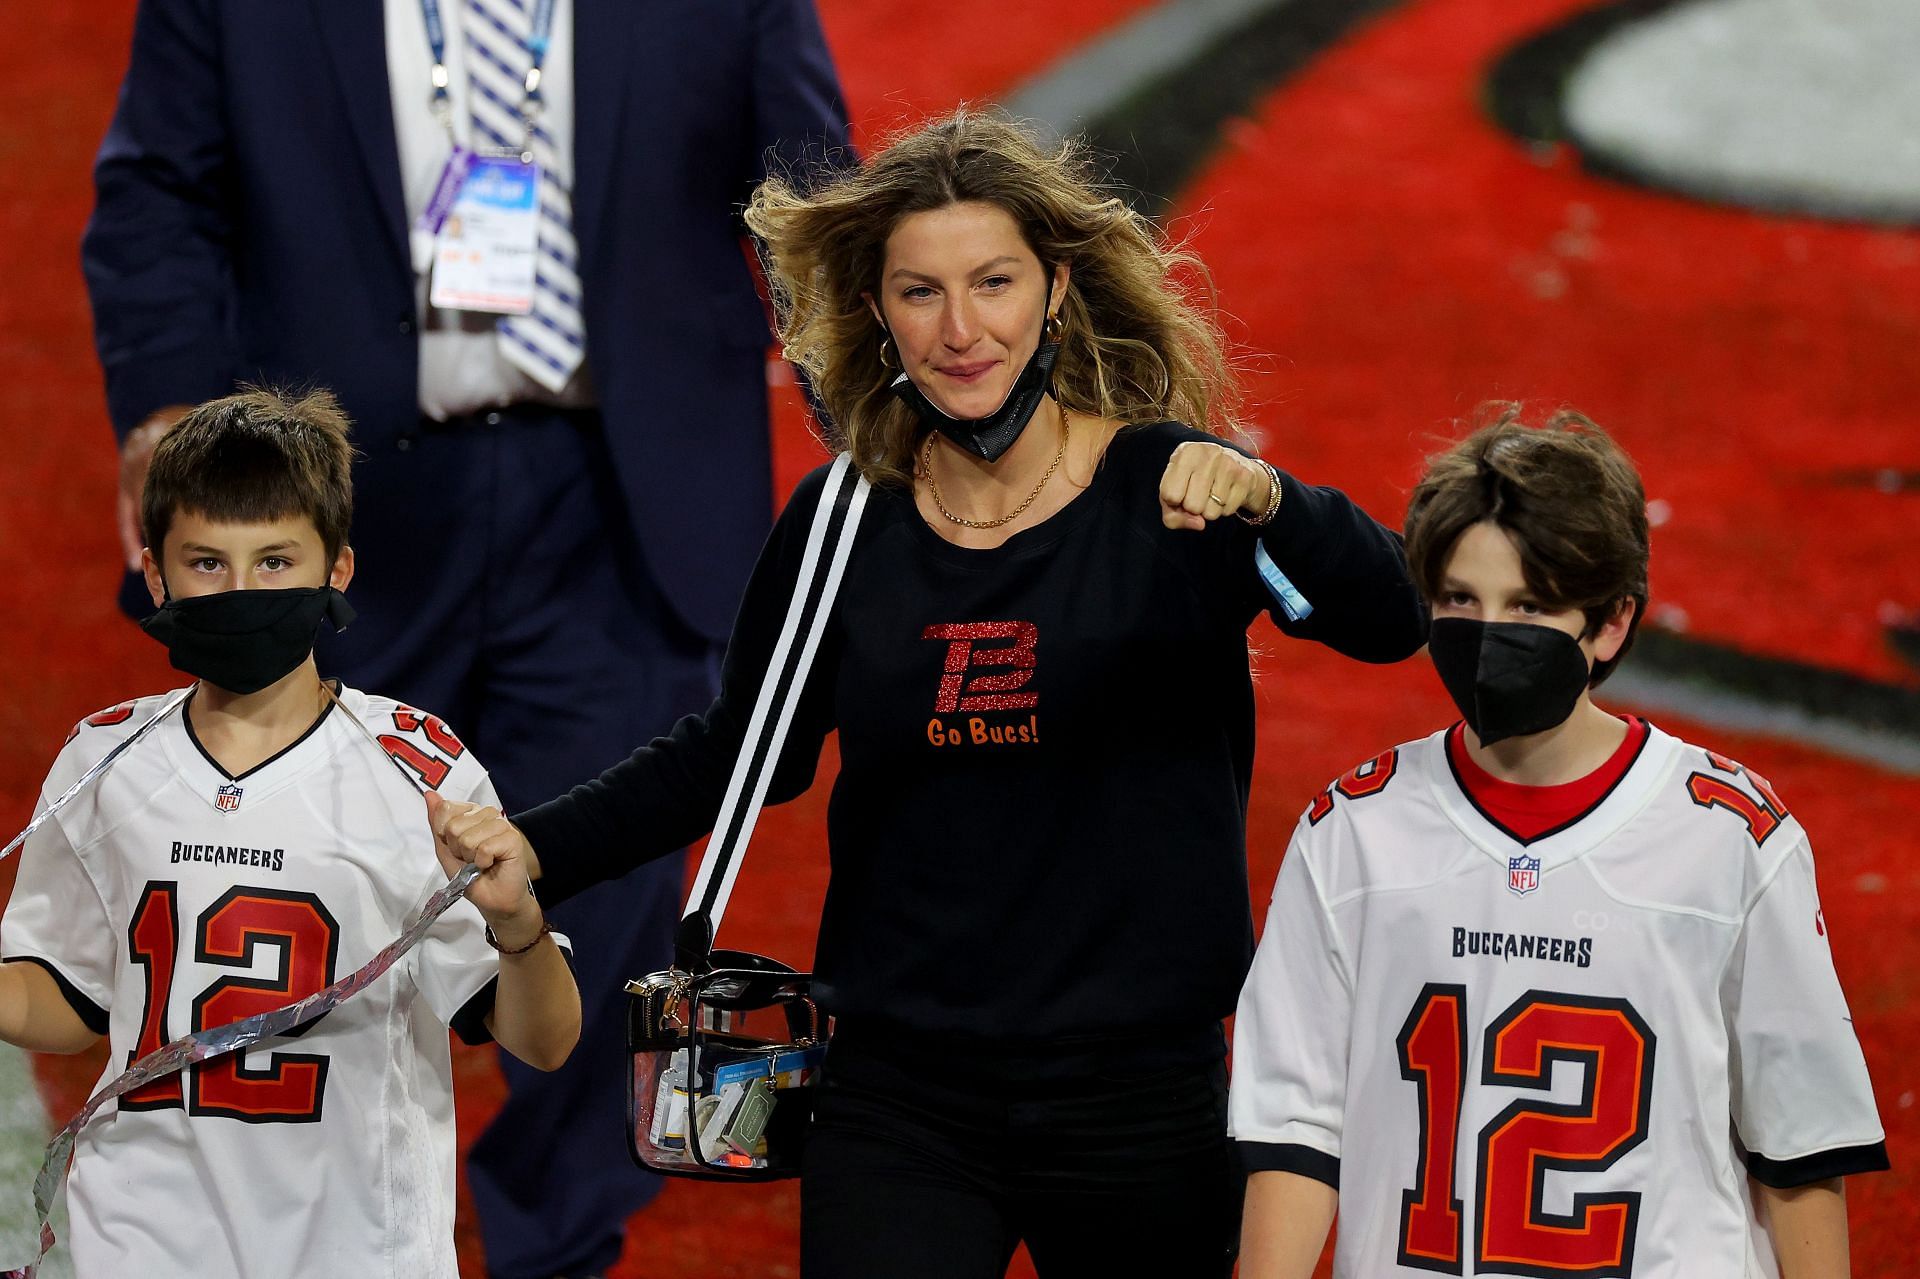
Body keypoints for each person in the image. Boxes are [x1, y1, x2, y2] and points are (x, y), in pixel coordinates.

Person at [429, 109, 1427, 1278]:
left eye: (994, 282)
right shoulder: (845, 519)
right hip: (899, 1098)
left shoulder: (1174, 494)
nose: (962, 330)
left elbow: (1393, 621)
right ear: (873, 312)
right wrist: (527, 853)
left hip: (1138, 1099)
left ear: (1055, 290)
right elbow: (739, 755)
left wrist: (1274, 499)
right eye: (920, 293)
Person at [80, 3, 849, 1273]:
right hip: (336, 501)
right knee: (303, 885)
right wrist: (169, 403)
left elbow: (809, 189)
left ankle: (558, 1247)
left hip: (624, 497)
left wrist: (880, 433)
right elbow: (160, 186)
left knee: (598, 915)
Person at [1230, 407, 1889, 1278]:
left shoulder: (1730, 839)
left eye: (1529, 605)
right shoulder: (1352, 832)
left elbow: (1800, 1148)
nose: (1486, 632)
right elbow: (1296, 1136)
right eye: (1460, 599)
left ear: (1611, 623)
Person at [0, 389, 580, 1278]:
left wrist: (518, 925)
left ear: (337, 568)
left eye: (275, 562)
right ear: (154, 575)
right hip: (143, 1243)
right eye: (207, 563)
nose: (241, 591)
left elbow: (544, 1039)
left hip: (356, 1249)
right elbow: (67, 1003)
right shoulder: (104, 759)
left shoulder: (414, 770)